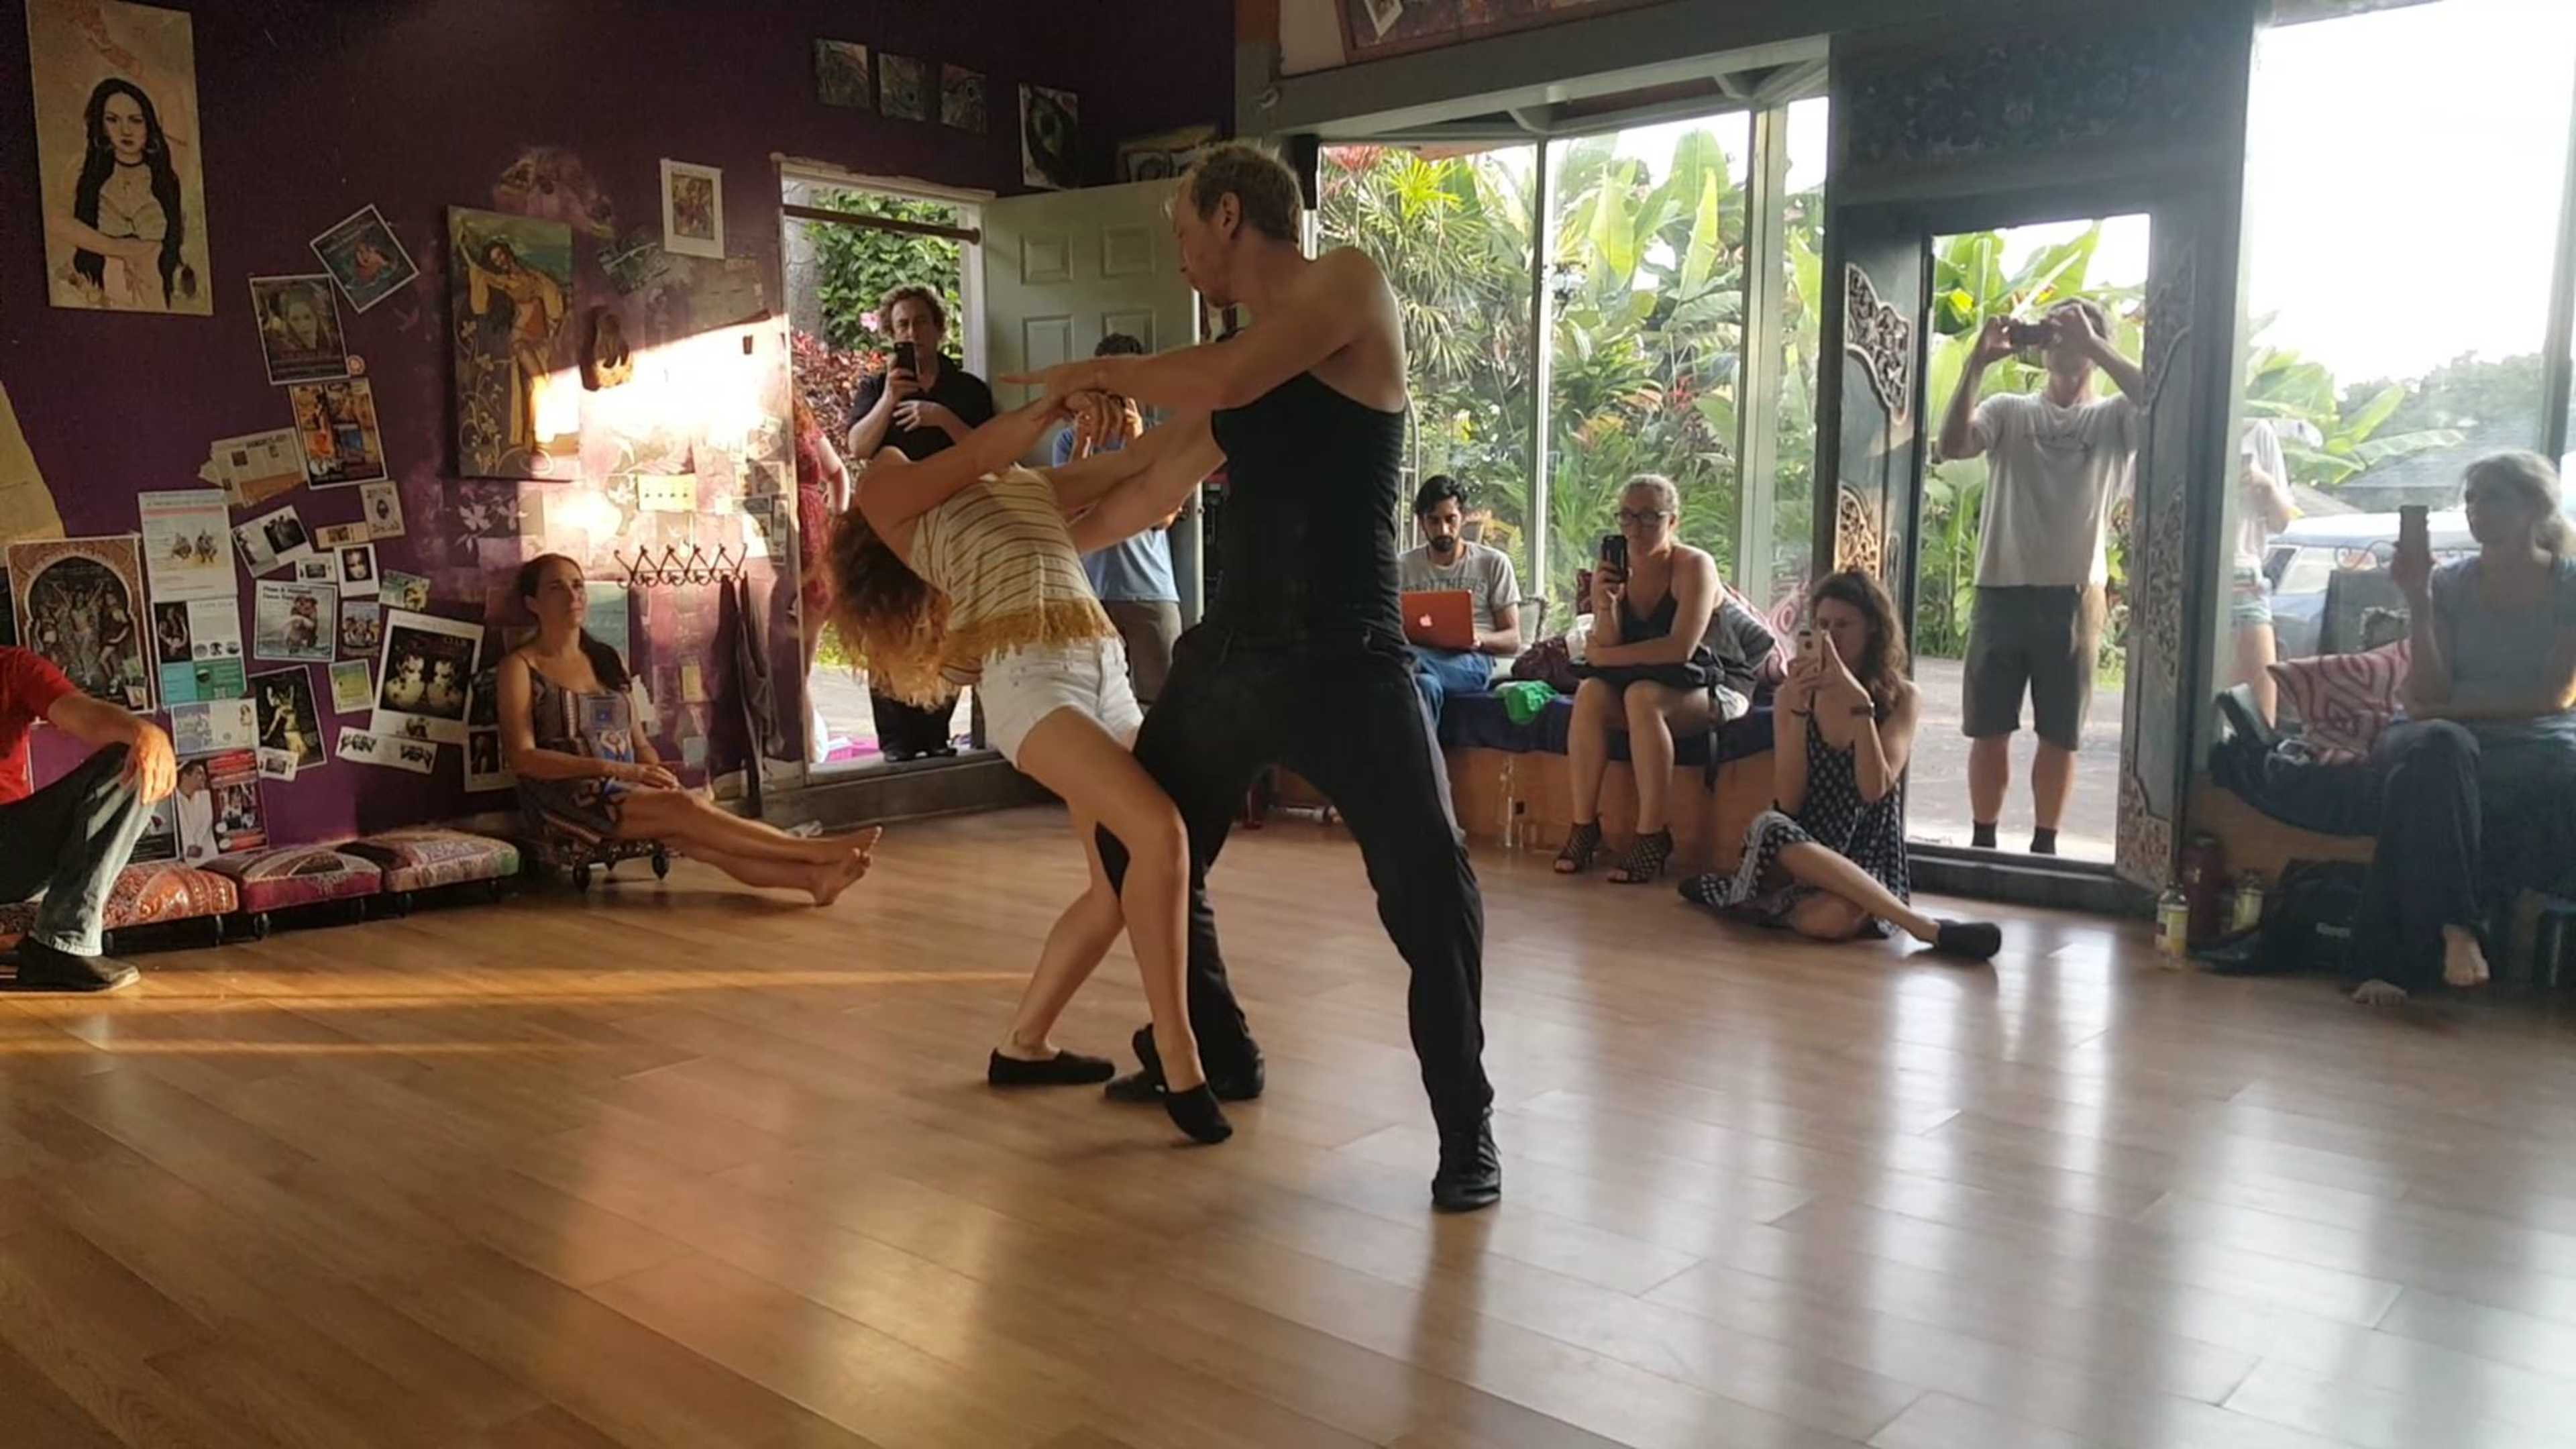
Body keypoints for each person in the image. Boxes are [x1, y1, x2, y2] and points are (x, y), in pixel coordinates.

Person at [1005, 142, 1502, 1211]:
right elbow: (1137, 490)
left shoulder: (1347, 286)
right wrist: (975, 519)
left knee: (1428, 891)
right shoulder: (1236, 363)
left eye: (1183, 228)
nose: (1179, 254)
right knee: (1130, 841)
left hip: (1352, 656)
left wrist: (1103, 374)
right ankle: (1220, 1047)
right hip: (1234, 651)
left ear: (1230, 214)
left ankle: (1467, 1130)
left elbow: (1226, 382)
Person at [829, 388, 1235, 1144]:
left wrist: (1233, 411)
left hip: (1102, 668)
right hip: (1028, 677)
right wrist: (1059, 401)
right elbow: (978, 451)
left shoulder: (1023, 488)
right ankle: (1180, 1056)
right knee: (1160, 836)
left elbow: (1142, 476)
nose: (894, 435)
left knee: (1116, 890)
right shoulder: (886, 494)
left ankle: (1023, 1046)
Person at [498, 554, 879, 906]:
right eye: (556, 588)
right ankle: (815, 851)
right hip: (566, 798)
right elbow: (524, 758)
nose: (572, 595)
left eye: (578, 585)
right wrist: (619, 771)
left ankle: (812, 880)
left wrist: (656, 776)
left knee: (696, 837)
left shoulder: (604, 659)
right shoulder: (521, 667)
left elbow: (639, 743)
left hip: (624, 787)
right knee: (686, 810)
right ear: (533, 604)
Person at [2350, 451, 2576, 1006]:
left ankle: (2384, 963)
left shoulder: (2569, 585)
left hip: (2534, 741)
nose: (2476, 511)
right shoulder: (2449, 582)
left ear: (2534, 508)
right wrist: (2418, 601)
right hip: (2433, 735)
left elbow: (2554, 695)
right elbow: (2428, 692)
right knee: (2440, 751)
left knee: (2426, 780)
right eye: (2471, 498)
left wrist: (2452, 710)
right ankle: (2458, 929)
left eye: (2493, 497)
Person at [1678, 572, 2002, 958]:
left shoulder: (1902, 698)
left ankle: (1756, 903)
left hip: (1866, 850)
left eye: (1844, 625)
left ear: (1872, 632)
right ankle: (1926, 928)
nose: (1831, 637)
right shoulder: (1792, 697)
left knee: (1835, 921)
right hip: (1798, 846)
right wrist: (1796, 712)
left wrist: (1859, 707)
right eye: (1822, 625)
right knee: (1771, 825)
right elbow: (1791, 801)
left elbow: (1874, 789)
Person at [1936, 299, 2146, 856]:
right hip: (1999, 587)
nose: (2060, 340)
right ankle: (1983, 843)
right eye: (2054, 330)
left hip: (2076, 593)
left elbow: (2167, 403)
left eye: (2074, 330)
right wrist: (1976, 364)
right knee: (1988, 727)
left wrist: (2097, 345)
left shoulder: (2114, 418)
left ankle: (2045, 848)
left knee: (2060, 732)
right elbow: (1950, 445)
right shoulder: (2009, 410)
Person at [1554, 474, 1734, 886]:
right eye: (1628, 517)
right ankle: (1584, 826)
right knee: (1591, 693)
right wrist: (1606, 605)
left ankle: (1653, 834)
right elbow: (1607, 648)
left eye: (1650, 517)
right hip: (1645, 679)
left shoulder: (1693, 566)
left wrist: (1605, 655)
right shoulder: (1621, 570)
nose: (1636, 529)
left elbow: (1681, 648)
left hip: (1709, 684)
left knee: (1642, 697)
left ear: (1673, 522)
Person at [845, 285, 996, 761]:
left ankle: (935, 734)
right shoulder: (875, 387)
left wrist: (942, 417)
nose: (914, 333)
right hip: (888, 529)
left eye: (921, 323)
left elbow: (993, 453)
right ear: (893, 333)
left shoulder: (968, 390)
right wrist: (890, 398)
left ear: (939, 328)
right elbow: (858, 447)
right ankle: (896, 741)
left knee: (945, 627)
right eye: (903, 325)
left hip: (953, 524)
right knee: (889, 626)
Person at [0, 645, 176, 992]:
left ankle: (61, 943)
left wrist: (144, 732)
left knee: (136, 757)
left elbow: (81, 714)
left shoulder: (12, 665)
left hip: (10, 850)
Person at [1060, 334, 1187, 706]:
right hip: (1088, 590)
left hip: (1149, 587)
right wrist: (1084, 442)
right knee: (1090, 702)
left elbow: (1162, 518)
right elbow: (1067, 509)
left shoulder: (1163, 437)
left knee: (1162, 704)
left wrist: (1138, 442)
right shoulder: (1069, 441)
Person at [46, 78, 197, 311]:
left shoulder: (166, 170)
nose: (125, 130)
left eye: (136, 121)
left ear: (149, 124)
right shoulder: (84, 169)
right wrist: (116, 247)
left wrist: (118, 56)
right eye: (112, 120)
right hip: (104, 292)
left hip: (156, 294)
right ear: (102, 125)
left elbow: (170, 92)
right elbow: (55, 220)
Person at [1399, 474, 1521, 722]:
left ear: (1463, 517)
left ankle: (1401, 664)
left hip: (1472, 662)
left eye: (1450, 519)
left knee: (1402, 660)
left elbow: (1513, 639)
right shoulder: (1402, 567)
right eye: (1433, 521)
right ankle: (1425, 763)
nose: (1443, 530)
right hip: (1423, 653)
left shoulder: (1493, 563)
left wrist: (1479, 639)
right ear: (1422, 523)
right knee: (1426, 686)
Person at [2233, 419, 2299, 722]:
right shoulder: (2170, 430)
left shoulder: (2256, 432)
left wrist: (2265, 485)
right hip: (2181, 580)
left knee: (2256, 721)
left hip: (2242, 578)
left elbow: (2282, 520)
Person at [792, 397, 853, 680]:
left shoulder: (804, 424)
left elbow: (837, 472)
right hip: (768, 529)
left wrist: (838, 518)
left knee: (812, 609)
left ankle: (800, 706)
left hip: (811, 527)